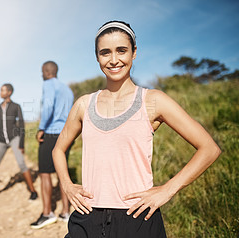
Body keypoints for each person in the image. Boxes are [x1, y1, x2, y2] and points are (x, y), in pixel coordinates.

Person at [52, 20, 221, 238]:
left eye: (121, 50)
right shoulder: (84, 104)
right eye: (105, 53)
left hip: (137, 219)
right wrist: (67, 185)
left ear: (134, 53)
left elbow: (209, 148)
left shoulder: (153, 101)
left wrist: (167, 190)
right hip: (87, 218)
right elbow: (58, 149)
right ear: (97, 57)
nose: (114, 60)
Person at [30, 61, 74, 229]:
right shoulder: (67, 89)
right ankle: (65, 212)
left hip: (52, 133)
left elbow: (48, 107)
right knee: (62, 172)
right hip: (66, 133)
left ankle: (47, 213)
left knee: (45, 173)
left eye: (42, 71)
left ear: (47, 71)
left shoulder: (48, 84)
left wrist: (41, 128)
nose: (41, 74)